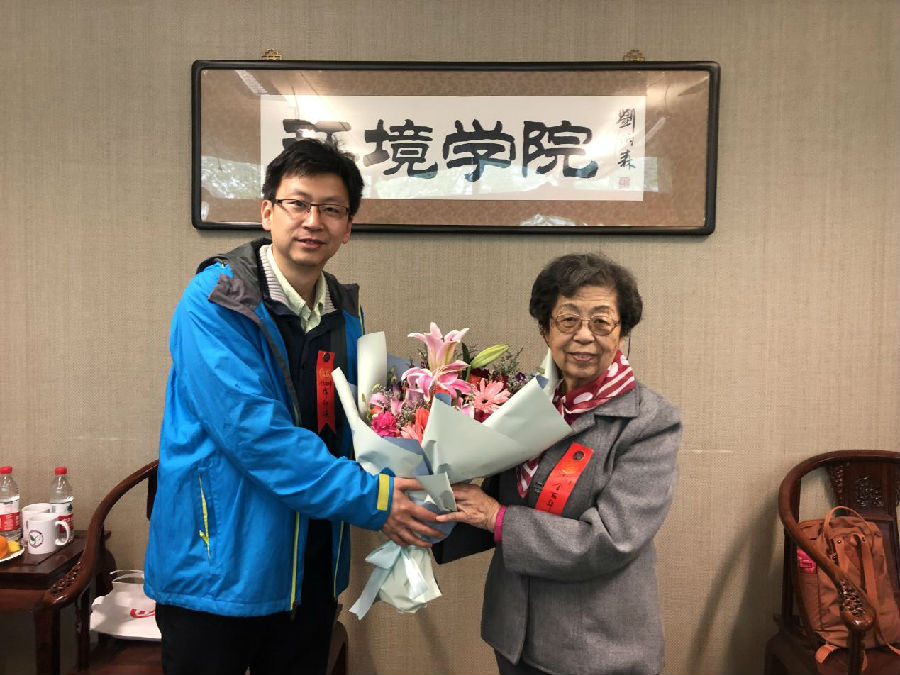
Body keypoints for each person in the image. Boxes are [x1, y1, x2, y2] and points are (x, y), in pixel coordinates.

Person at [144, 138, 442, 675]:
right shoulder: (216, 300)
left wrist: (435, 416)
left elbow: (361, 419)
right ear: (267, 212)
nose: (313, 221)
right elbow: (255, 435)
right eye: (298, 204)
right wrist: (376, 500)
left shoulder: (344, 314)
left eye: (331, 209)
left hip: (311, 570)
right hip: (219, 569)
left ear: (348, 227)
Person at [436, 252, 682, 675]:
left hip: (596, 649)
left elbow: (611, 540)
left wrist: (496, 518)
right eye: (568, 320)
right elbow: (496, 492)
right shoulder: (526, 402)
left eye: (601, 321)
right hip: (514, 633)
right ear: (545, 329)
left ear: (622, 331)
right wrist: (430, 499)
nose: (584, 336)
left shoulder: (650, 421)